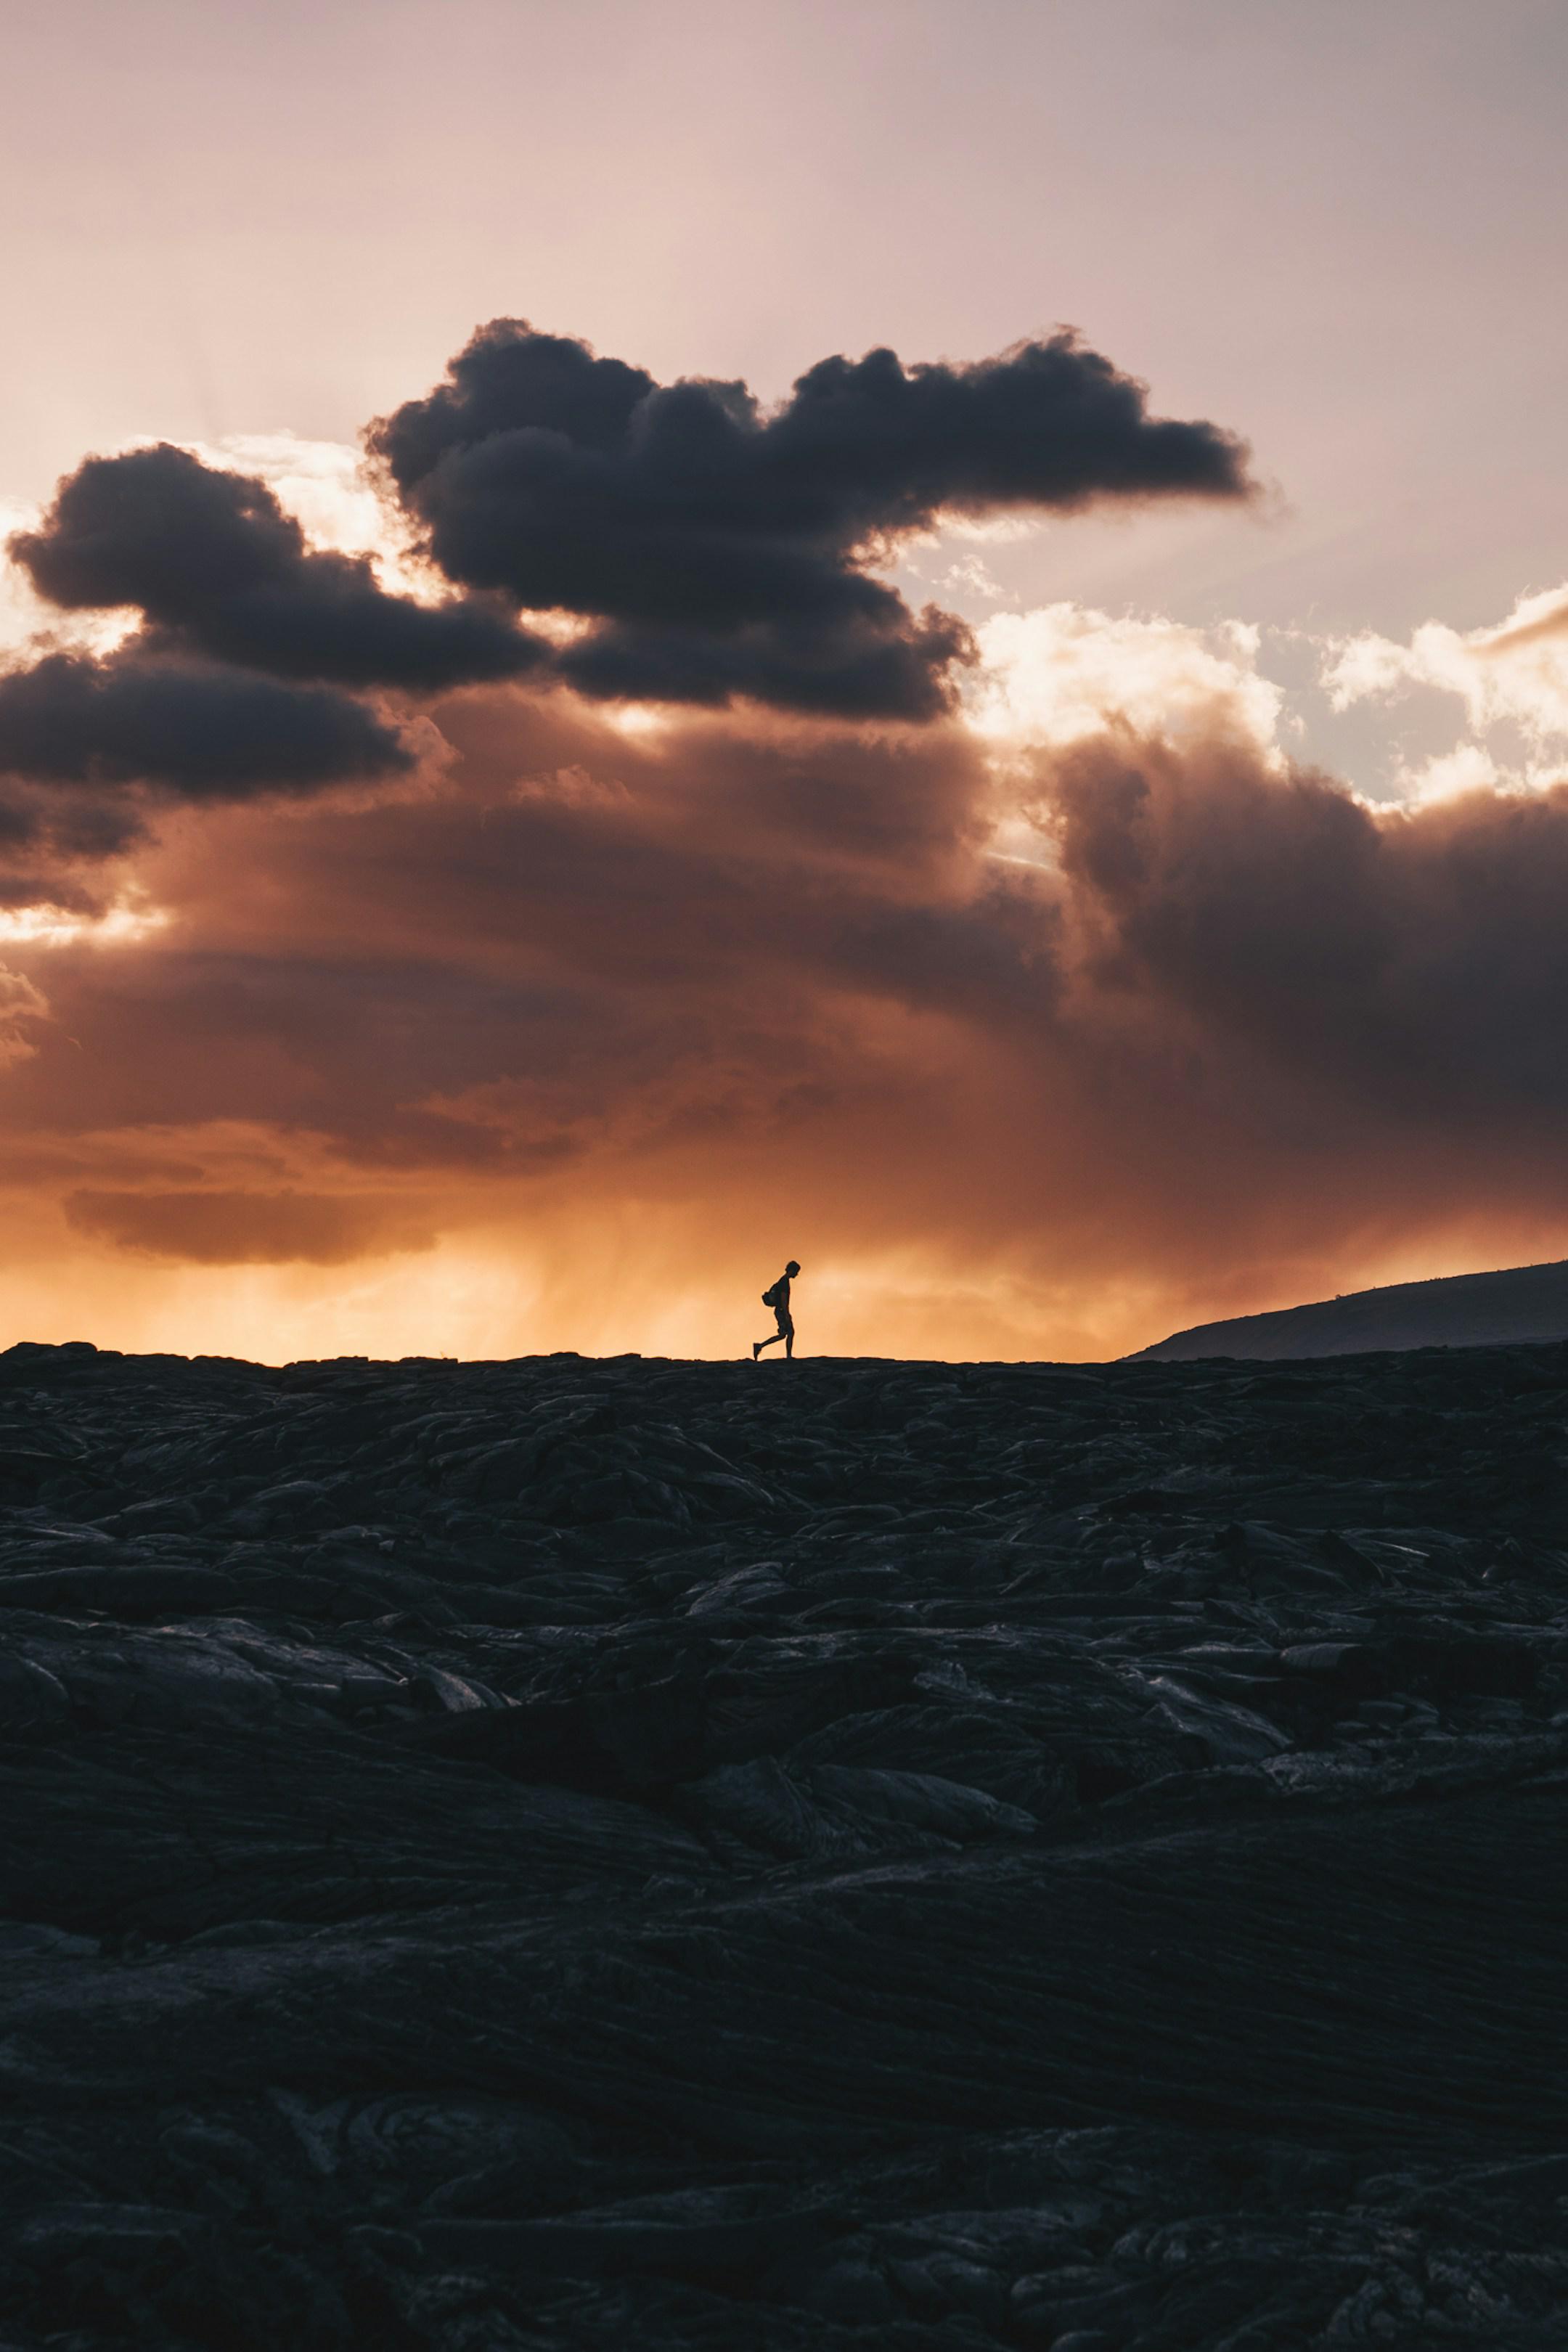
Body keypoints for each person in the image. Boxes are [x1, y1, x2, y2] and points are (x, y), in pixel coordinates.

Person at [753, 1262, 801, 1360]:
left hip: (780, 1310)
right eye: (796, 1272)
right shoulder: (784, 1282)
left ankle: (760, 1346)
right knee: (789, 1332)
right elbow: (784, 1300)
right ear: (792, 1270)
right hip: (781, 1311)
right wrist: (787, 1314)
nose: (797, 1274)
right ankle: (788, 1356)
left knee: (784, 1334)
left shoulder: (783, 1281)